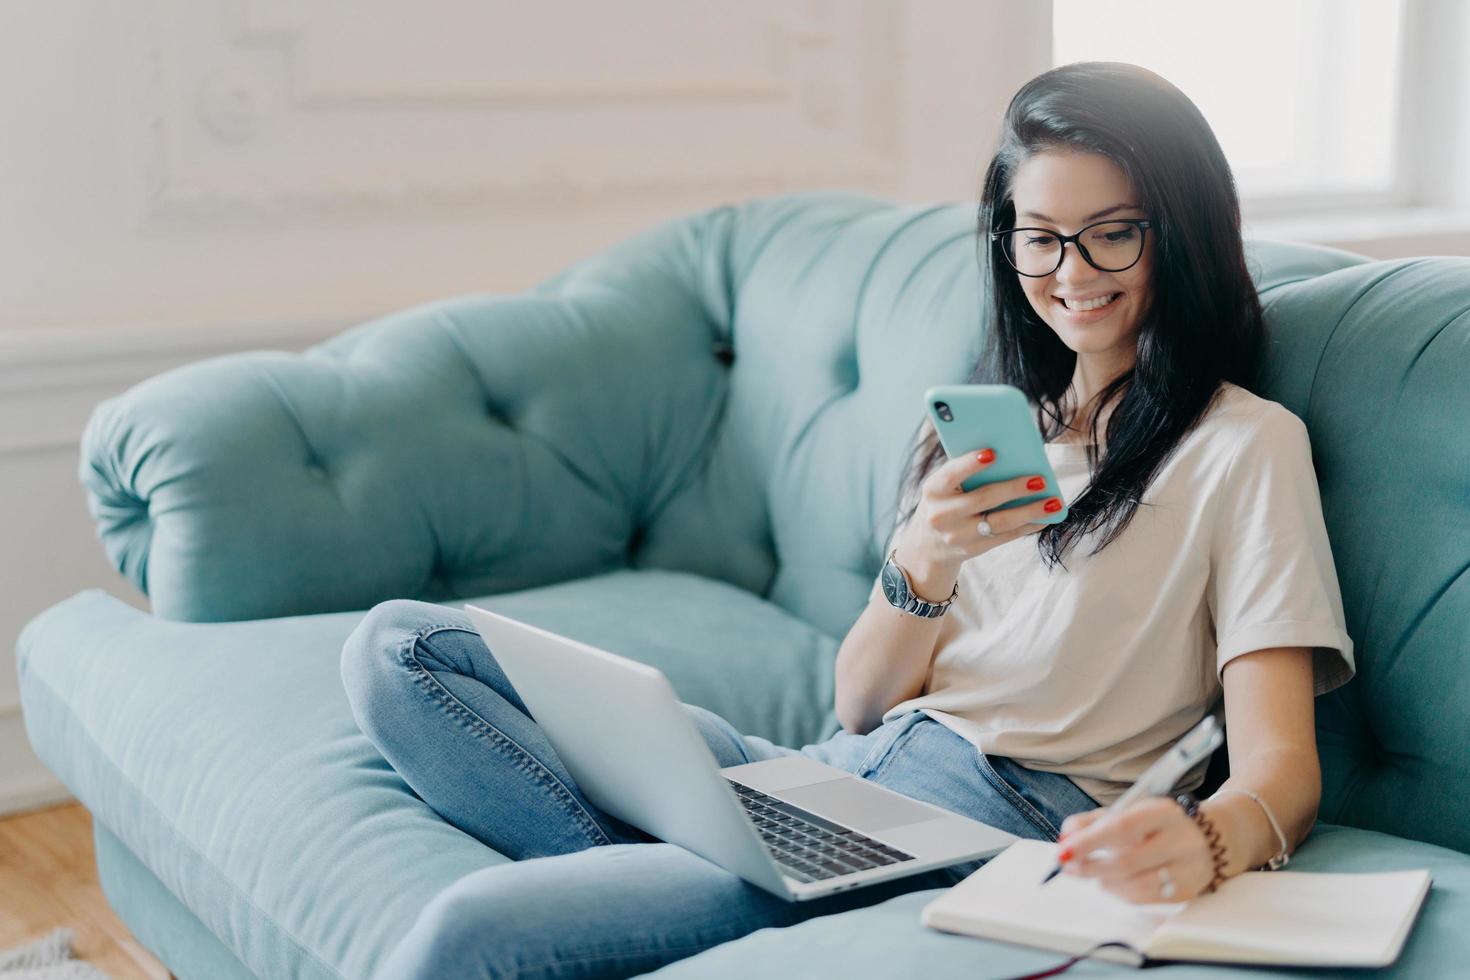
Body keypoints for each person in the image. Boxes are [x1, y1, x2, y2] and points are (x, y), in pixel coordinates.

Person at [339, 61, 1354, 979]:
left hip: (981, 815)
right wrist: (922, 559)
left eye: (1113, 232)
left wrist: (1207, 839)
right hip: (838, 770)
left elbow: (1280, 764)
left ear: (1178, 231)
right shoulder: (995, 428)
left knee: (472, 932)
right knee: (403, 646)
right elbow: (861, 700)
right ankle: (692, 867)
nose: (1071, 272)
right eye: (1039, 237)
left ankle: (699, 876)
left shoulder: (1243, 446)